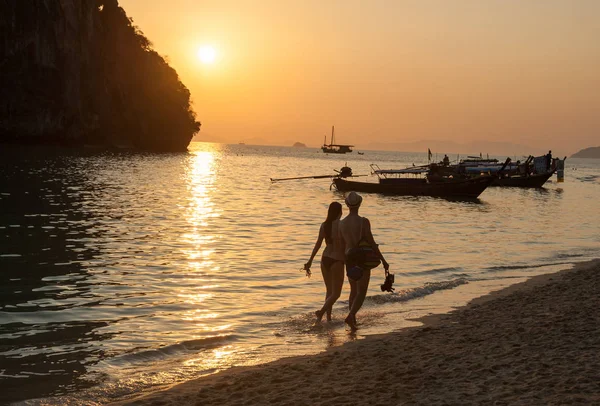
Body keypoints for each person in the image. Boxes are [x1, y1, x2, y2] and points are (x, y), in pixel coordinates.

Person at [338, 192, 389, 330]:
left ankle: (353, 319)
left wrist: (342, 261)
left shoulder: (341, 223)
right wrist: (383, 260)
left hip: (349, 258)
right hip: (362, 258)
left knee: (353, 290)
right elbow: (372, 242)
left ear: (347, 204)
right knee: (362, 292)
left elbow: (342, 245)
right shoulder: (363, 222)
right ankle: (350, 316)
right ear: (360, 204)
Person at [303, 202, 345, 322]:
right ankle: (321, 313)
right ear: (339, 212)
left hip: (325, 258)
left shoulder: (324, 225)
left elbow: (318, 244)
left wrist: (310, 260)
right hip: (337, 259)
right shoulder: (341, 225)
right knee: (336, 294)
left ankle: (329, 318)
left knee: (329, 291)